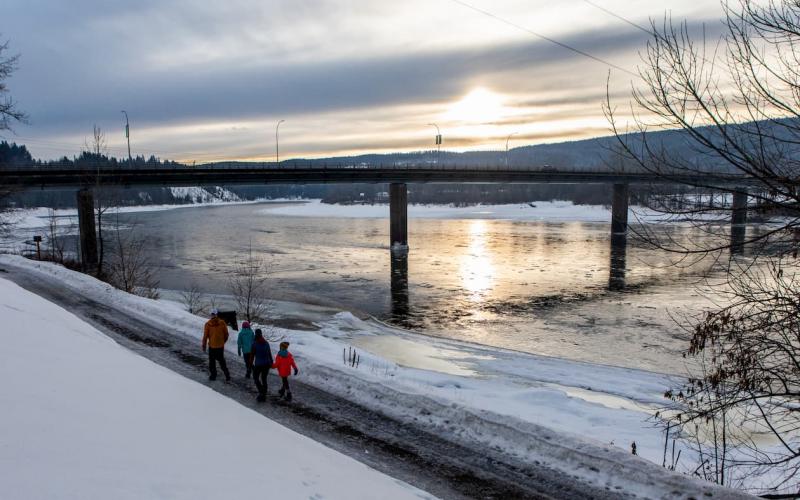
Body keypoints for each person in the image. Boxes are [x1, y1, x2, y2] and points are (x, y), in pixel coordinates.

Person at [202, 309, 230, 381]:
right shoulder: (222, 322)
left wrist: (204, 346)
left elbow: (205, 336)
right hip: (220, 346)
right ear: (216, 314)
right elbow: (226, 334)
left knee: (212, 362)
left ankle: (213, 376)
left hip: (212, 346)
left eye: (212, 314)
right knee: (221, 361)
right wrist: (222, 342)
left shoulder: (208, 324)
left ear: (212, 315)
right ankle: (227, 374)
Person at [251, 329, 273, 402]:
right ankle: (264, 393)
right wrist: (271, 362)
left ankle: (261, 392)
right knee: (264, 379)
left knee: (255, 377)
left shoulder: (255, 343)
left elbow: (252, 355)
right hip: (266, 364)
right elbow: (269, 353)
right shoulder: (266, 343)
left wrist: (250, 364)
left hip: (259, 364)